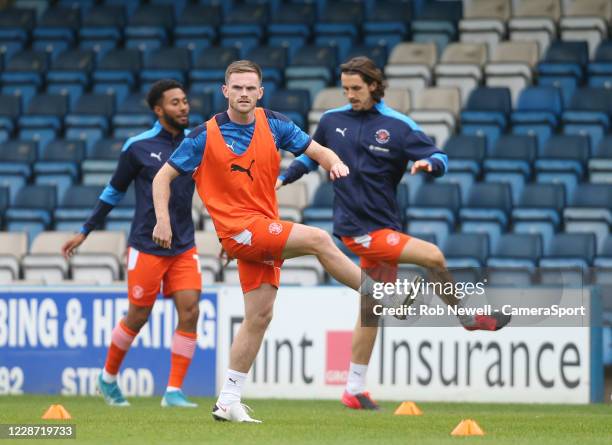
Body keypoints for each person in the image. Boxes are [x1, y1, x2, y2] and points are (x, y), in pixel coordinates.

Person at [151, 60, 408, 423]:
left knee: (259, 315)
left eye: (249, 88)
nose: (243, 94)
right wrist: (163, 220)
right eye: (236, 88)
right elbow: (162, 178)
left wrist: (334, 162)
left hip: (260, 230)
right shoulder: (203, 135)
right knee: (319, 239)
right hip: (241, 231)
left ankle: (228, 399)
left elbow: (317, 150)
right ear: (226, 92)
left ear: (260, 91)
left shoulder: (274, 124)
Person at [278, 56, 511, 410]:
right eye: (345, 89)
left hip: (384, 224)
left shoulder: (398, 126)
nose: (350, 95)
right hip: (355, 227)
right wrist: (283, 177)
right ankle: (466, 316)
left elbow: (439, 156)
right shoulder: (331, 121)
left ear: (374, 85)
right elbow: (311, 157)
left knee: (370, 309)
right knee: (433, 255)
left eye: (356, 88)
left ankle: (353, 389)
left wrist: (428, 164)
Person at [61, 80, 201, 408]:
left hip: (184, 245)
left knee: (191, 310)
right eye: (175, 103)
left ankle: (173, 392)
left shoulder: (196, 142)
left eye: (184, 101)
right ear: (158, 109)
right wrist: (86, 230)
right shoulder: (138, 146)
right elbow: (113, 191)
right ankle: (107, 379)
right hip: (146, 245)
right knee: (138, 315)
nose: (184, 107)